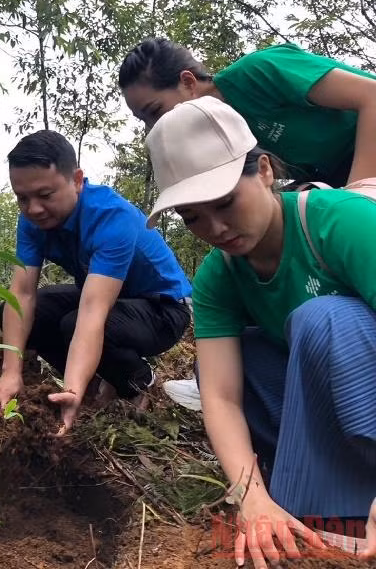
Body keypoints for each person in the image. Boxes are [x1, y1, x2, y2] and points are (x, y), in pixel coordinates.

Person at [145, 95, 376, 565]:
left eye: (225, 202)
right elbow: (222, 398)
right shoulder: (220, 275)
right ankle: (317, 513)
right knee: (232, 363)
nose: (215, 228)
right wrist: (251, 498)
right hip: (325, 408)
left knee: (322, 318)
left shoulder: (341, 222)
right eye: (192, 217)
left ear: (265, 170)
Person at [0, 130, 192, 433]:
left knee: (75, 323)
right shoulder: (32, 220)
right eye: (22, 198)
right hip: (109, 299)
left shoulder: (110, 217)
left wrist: (70, 389)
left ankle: (138, 381)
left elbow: (93, 311)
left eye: (45, 195)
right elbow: (23, 292)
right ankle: (95, 385)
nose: (33, 209)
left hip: (163, 308)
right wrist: (10, 372)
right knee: (14, 310)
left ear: (77, 180)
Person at [119, 37, 376, 187]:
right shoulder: (222, 136)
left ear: (188, 82)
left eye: (155, 111)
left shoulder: (256, 73)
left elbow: (371, 96)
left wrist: (356, 196)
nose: (155, 126)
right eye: (145, 121)